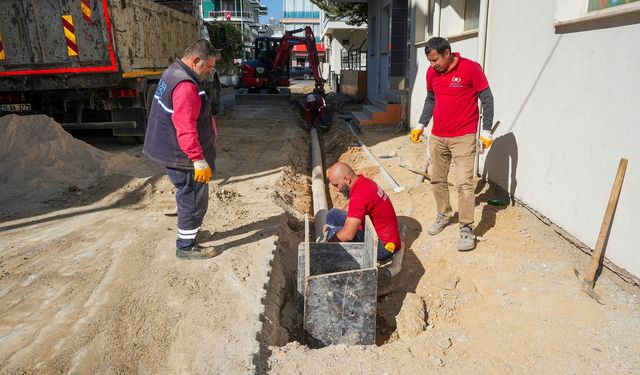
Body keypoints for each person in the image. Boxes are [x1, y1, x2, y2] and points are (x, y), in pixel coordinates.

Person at [409, 37, 494, 252]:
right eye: (429, 61)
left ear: (447, 53)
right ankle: (444, 214)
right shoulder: (432, 73)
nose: (432, 65)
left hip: (463, 136)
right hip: (438, 135)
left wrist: (486, 131)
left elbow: (487, 98)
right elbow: (431, 99)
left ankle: (466, 228)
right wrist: (421, 124)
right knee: (437, 179)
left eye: (435, 59)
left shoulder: (470, 69)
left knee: (465, 184)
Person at [143, 39, 221, 259]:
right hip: (184, 156)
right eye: (208, 66)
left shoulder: (175, 71)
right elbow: (185, 127)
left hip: (178, 151)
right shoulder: (186, 86)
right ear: (195, 60)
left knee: (191, 198)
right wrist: (197, 158)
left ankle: (191, 233)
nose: (209, 71)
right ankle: (186, 246)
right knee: (193, 199)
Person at [323, 162, 401, 262]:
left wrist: (326, 245)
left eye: (336, 185)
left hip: (384, 246)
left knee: (334, 233)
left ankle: (332, 259)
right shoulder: (363, 182)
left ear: (347, 179)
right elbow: (351, 206)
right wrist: (330, 227)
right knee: (333, 214)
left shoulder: (360, 195)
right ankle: (331, 247)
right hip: (373, 230)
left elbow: (348, 234)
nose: (337, 190)